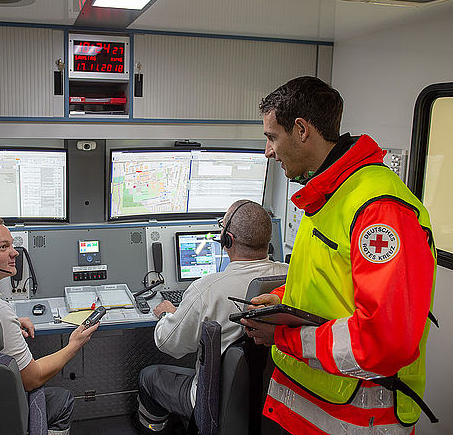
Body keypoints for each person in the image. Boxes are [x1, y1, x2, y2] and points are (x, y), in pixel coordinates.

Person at [241, 76, 437, 434]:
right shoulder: (328, 195)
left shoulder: (378, 210)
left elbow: (384, 340)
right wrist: (283, 301)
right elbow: (331, 282)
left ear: (301, 129)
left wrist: (282, 337)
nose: (268, 151)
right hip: (308, 408)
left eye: (271, 137)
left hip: (356, 420)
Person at [0, 216, 100, 435]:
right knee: (62, 400)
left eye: (12, 244)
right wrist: (74, 345)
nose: (15, 253)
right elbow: (32, 379)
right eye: (3, 247)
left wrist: (12, 321)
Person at [137, 200, 289, 433]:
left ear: (227, 239)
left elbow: (169, 344)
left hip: (213, 401)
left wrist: (169, 315)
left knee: (149, 376)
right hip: (275, 399)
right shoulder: (291, 278)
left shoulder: (207, 289)